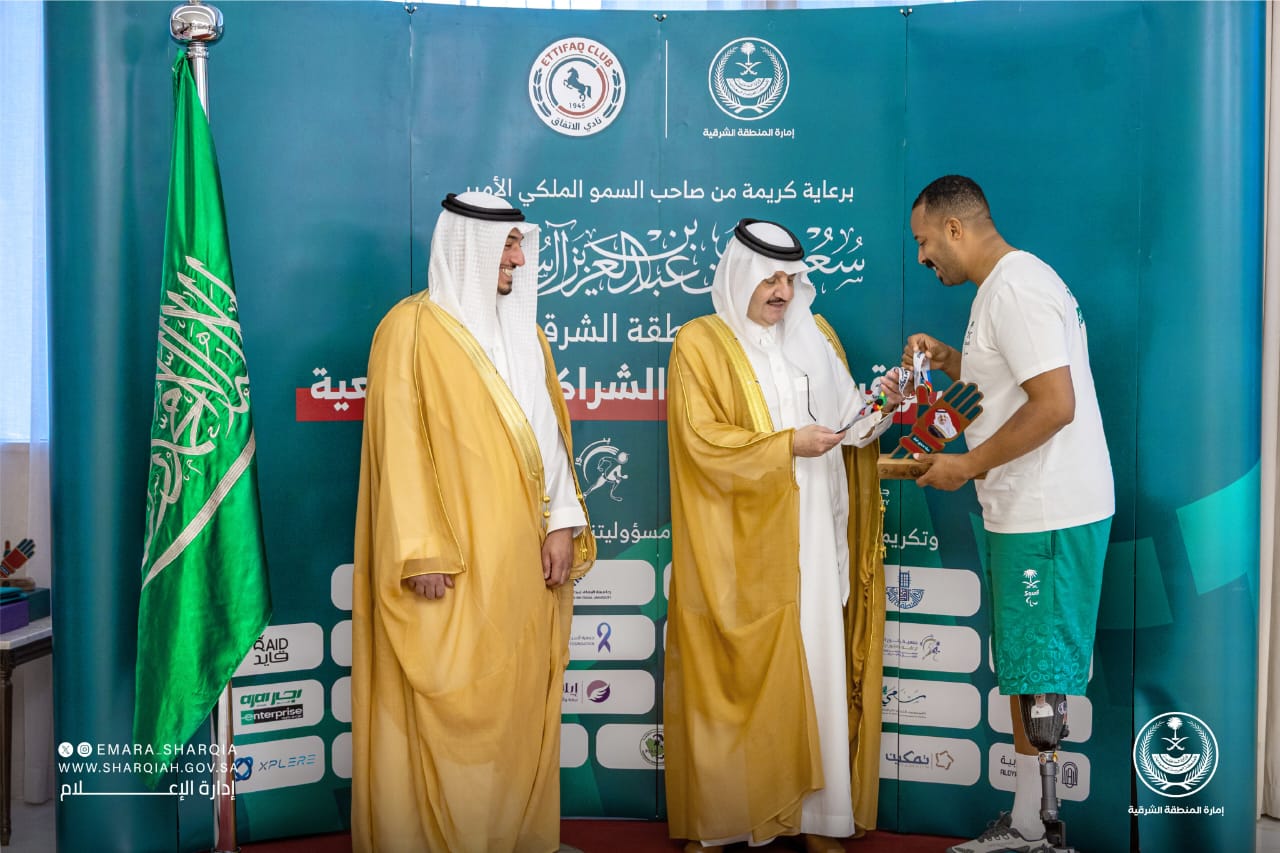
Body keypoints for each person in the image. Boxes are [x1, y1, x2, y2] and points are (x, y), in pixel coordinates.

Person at [351, 192, 595, 853]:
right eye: (508, 245)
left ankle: (511, 837)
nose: (519, 258)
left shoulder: (527, 333)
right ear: (471, 246)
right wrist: (422, 549)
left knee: (517, 702)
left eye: (520, 244)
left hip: (520, 560)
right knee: (451, 704)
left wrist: (561, 522)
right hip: (450, 566)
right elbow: (399, 444)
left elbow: (548, 435)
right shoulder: (409, 329)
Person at [664, 218, 902, 853]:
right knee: (736, 676)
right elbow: (700, 438)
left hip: (815, 534)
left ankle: (818, 819)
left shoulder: (815, 335)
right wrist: (785, 445)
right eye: (770, 279)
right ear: (740, 274)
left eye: (791, 280)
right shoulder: (700, 342)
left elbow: (849, 424)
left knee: (816, 664)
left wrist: (882, 404)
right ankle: (727, 821)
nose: (782, 292)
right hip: (740, 544)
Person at [904, 175, 1114, 853]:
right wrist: (949, 359)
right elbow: (1009, 384)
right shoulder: (1002, 288)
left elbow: (1056, 404)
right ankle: (1028, 822)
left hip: (1047, 511)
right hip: (1027, 509)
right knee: (1027, 664)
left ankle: (1041, 834)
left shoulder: (1016, 287)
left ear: (955, 228)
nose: (921, 256)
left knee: (1040, 672)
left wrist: (968, 464)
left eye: (924, 241)